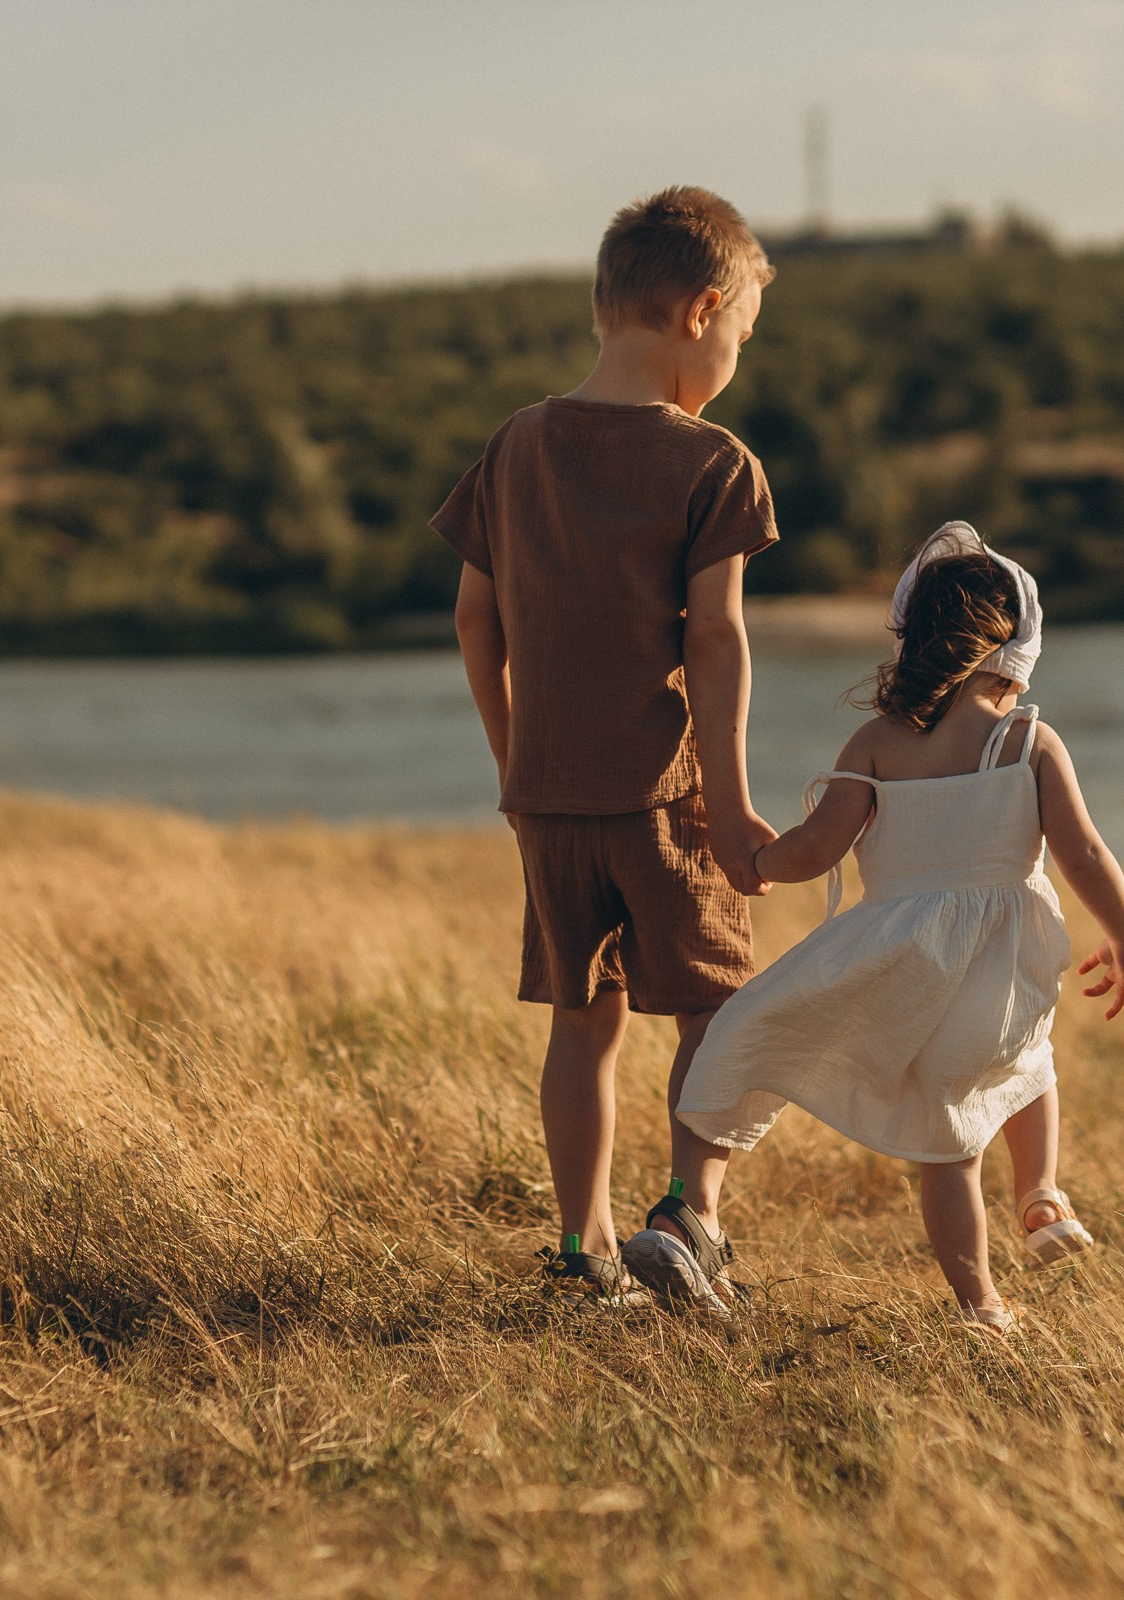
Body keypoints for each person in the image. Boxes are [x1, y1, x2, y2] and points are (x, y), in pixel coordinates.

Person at [654, 522, 1124, 1330]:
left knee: (947, 1149)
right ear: (1015, 651)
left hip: (905, 967)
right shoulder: (1027, 740)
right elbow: (1084, 851)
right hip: (1006, 963)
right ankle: (1041, 1195)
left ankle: (981, 1304)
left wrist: (757, 861)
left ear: (910, 640)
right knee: (1027, 1062)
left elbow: (818, 847)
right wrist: (1123, 935)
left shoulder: (877, 744)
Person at [434, 186, 781, 1306]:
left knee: (584, 1022)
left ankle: (584, 1253)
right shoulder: (714, 462)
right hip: (662, 792)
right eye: (740, 337)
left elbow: (474, 620)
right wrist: (732, 804)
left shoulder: (515, 445)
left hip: (547, 795)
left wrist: (512, 762)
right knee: (718, 1006)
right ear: (701, 311)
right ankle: (688, 1215)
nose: (734, 360)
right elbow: (716, 640)